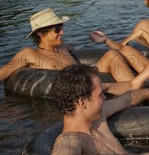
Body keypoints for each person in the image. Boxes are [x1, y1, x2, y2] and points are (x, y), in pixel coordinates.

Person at [0, 8, 137, 95]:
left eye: (61, 27)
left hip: (88, 77)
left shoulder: (63, 46)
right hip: (73, 93)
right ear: (41, 33)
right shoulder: (29, 54)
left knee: (112, 55)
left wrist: (101, 40)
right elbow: (3, 72)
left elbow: (83, 56)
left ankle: (137, 90)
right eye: (57, 29)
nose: (62, 32)